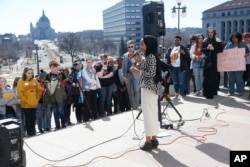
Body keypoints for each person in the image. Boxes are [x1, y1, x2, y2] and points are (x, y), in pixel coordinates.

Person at [130, 35, 163, 151]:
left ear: (148, 44)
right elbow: (149, 69)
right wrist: (139, 62)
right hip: (152, 89)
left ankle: (148, 141)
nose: (140, 46)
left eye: (142, 44)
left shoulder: (150, 57)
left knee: (148, 115)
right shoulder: (151, 56)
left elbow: (150, 73)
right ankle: (154, 139)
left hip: (148, 88)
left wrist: (137, 71)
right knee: (153, 114)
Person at [17, 67, 42, 136]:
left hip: (34, 104)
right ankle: (29, 132)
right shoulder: (21, 81)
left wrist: (37, 99)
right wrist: (26, 100)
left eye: (31, 73)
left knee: (33, 118)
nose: (30, 74)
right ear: (25, 73)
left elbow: (39, 90)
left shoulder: (34, 81)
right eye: (29, 73)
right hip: (26, 105)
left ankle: (33, 131)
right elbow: (20, 93)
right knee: (28, 119)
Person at [224, 32, 249, 96]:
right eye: (232, 38)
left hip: (239, 65)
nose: (234, 39)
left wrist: (246, 55)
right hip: (230, 65)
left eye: (235, 38)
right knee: (231, 79)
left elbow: (248, 52)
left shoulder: (243, 44)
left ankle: (240, 91)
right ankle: (230, 91)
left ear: (238, 38)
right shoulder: (228, 45)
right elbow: (224, 52)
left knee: (239, 79)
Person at [44, 60, 67, 130]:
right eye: (53, 67)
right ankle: (57, 125)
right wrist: (50, 85)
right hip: (52, 97)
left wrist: (62, 83)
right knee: (55, 111)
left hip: (60, 95)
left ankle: (63, 123)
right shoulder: (48, 76)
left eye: (56, 67)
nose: (54, 68)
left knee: (61, 110)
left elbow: (66, 82)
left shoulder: (61, 74)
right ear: (50, 68)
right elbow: (46, 85)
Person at [203, 27, 223, 99]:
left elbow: (221, 50)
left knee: (212, 78)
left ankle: (212, 93)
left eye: (212, 32)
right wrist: (207, 48)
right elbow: (202, 50)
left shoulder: (218, 41)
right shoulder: (205, 41)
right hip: (206, 62)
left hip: (214, 61)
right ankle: (206, 92)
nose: (210, 34)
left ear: (214, 33)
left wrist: (214, 49)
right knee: (206, 78)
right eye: (209, 32)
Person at [122, 40, 141, 110]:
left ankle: (137, 104)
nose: (130, 48)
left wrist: (135, 61)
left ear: (134, 46)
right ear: (127, 47)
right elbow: (123, 67)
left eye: (131, 46)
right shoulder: (125, 55)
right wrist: (124, 76)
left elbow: (140, 65)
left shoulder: (137, 54)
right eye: (129, 47)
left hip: (136, 75)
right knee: (130, 92)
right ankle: (134, 106)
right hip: (127, 75)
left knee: (136, 90)